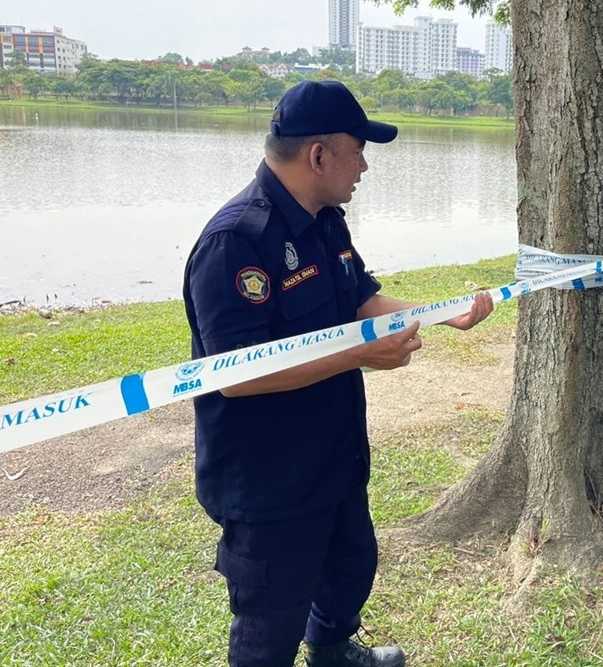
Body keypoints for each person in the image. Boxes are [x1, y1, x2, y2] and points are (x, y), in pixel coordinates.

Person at [183, 80, 493, 667]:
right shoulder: (236, 242)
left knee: (351, 567)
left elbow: (360, 304)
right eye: (358, 150)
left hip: (334, 453)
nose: (365, 165)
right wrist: (359, 356)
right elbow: (236, 376)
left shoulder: (326, 221)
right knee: (270, 619)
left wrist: (443, 313)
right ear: (318, 155)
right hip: (270, 477)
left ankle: (331, 651)